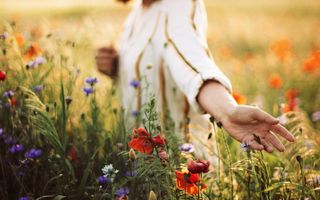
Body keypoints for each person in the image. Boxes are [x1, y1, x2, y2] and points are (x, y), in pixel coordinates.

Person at [95, 0, 295, 158]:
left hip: (184, 168)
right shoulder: (137, 13)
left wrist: (227, 111)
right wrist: (115, 68)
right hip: (141, 165)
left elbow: (192, 63)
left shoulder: (179, 4)